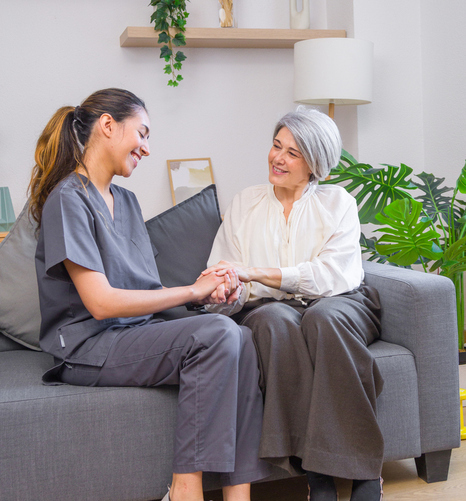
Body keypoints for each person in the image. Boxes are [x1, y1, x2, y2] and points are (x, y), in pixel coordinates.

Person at [29, 88, 270, 501]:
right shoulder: (67, 201)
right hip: (89, 347)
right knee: (215, 336)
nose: (146, 147)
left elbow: (147, 289)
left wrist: (204, 296)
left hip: (133, 335)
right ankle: (185, 489)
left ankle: (239, 496)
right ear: (108, 125)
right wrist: (191, 291)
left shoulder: (125, 200)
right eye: (141, 133)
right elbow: (102, 303)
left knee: (240, 336)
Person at [204, 107, 385, 501]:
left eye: (293, 153)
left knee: (322, 319)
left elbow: (331, 276)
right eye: (276, 146)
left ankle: (365, 473)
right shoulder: (245, 204)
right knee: (272, 321)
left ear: (315, 163)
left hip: (340, 302)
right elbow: (226, 273)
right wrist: (227, 288)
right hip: (271, 307)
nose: (278, 158)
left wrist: (257, 271)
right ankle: (314, 472)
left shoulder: (338, 203)